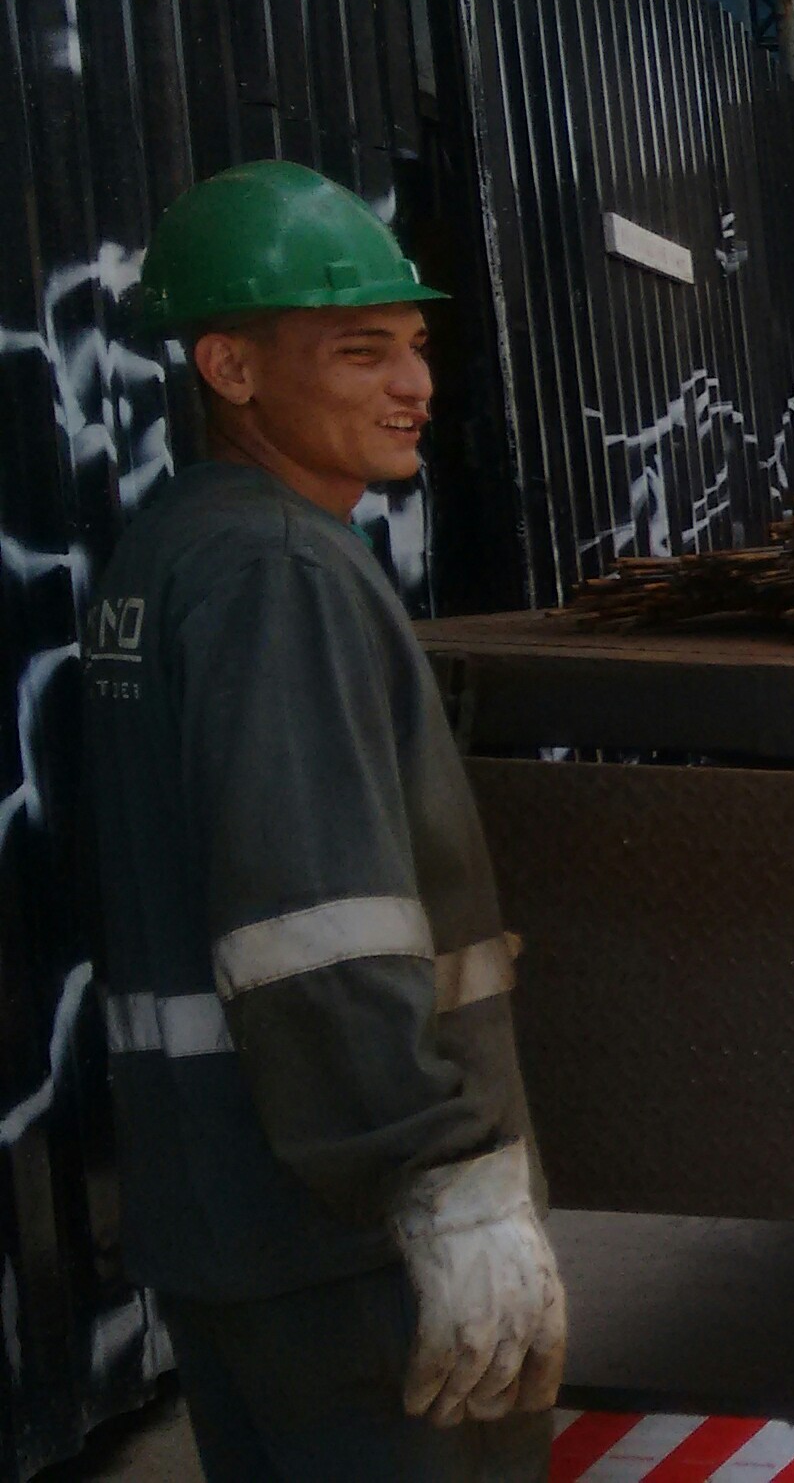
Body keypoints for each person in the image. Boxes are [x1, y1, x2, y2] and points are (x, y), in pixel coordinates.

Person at [85, 161, 563, 1480]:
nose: (413, 385)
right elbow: (316, 933)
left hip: (233, 1219)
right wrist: (447, 1185)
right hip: (347, 1234)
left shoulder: (172, 549)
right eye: (362, 352)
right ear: (231, 368)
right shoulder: (278, 571)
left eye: (414, 347)